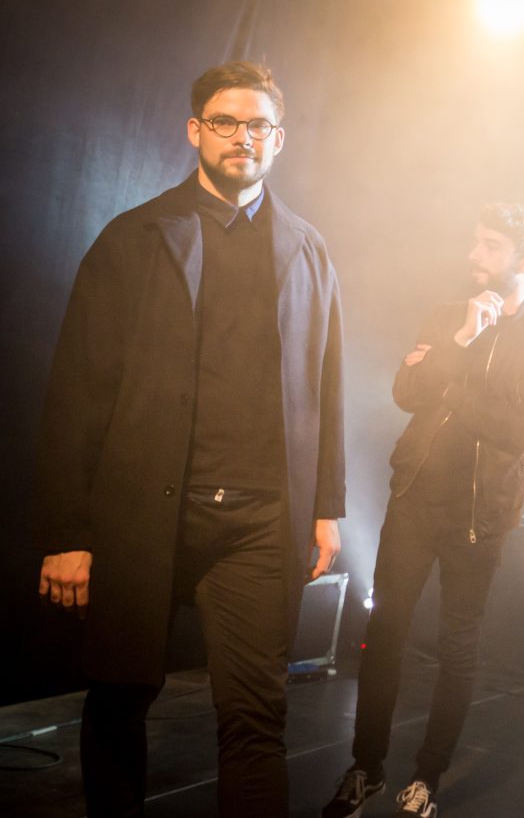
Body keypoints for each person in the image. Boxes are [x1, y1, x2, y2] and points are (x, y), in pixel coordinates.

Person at [33, 61, 345, 817]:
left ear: (279, 140)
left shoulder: (307, 248)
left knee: (257, 714)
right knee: (119, 699)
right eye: (226, 122)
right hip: (147, 510)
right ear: (195, 131)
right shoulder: (134, 238)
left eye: (259, 125)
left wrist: (326, 505)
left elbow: (326, 387)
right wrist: (67, 533)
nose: (244, 137)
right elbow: (77, 391)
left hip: (259, 520)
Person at [324, 204, 524, 818]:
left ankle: (426, 779)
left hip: (479, 515)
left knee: (457, 646)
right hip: (415, 496)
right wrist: (458, 340)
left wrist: (449, 380)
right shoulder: (445, 317)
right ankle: (365, 767)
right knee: (385, 632)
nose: (473, 255)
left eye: (490, 246)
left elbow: (518, 427)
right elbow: (407, 393)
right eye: (474, 242)